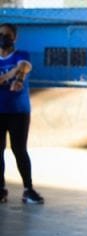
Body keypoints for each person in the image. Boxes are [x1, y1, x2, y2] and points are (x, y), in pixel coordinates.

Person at [0, 23, 41, 205]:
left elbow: (24, 66)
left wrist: (19, 74)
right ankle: (1, 189)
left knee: (19, 150)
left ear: (14, 38)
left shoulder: (21, 55)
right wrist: (13, 73)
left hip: (18, 112)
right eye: (1, 34)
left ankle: (28, 189)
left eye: (7, 35)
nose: (3, 38)